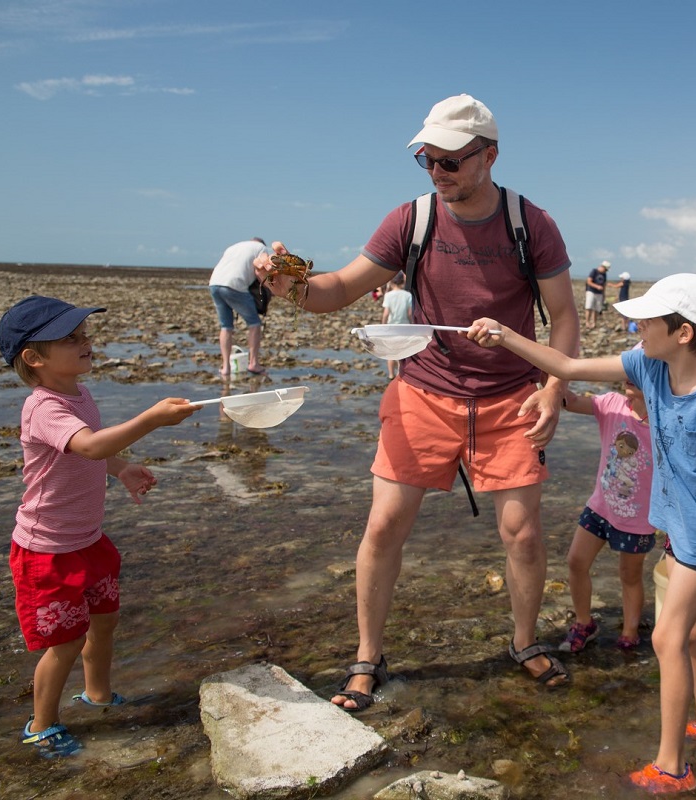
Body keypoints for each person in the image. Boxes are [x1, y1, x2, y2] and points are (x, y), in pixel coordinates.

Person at [263, 94, 581, 707]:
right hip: (423, 393)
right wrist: (289, 285)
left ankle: (523, 642)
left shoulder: (530, 223)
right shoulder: (409, 220)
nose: (438, 171)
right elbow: (336, 290)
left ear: (489, 156)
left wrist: (553, 389)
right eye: (427, 159)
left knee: (522, 534)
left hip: (510, 398)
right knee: (383, 525)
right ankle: (367, 657)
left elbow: (563, 318)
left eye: (452, 160)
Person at [466, 273, 696, 795]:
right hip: (675, 524)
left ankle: (673, 767)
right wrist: (504, 335)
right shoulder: (647, 367)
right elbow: (564, 366)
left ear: (683, 333)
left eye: (648, 320)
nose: (636, 326)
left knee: (666, 636)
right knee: (693, 631)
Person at [0, 296, 196, 758]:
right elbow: (85, 446)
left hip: (89, 541)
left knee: (104, 621)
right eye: (71, 338)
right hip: (47, 551)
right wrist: (149, 420)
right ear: (34, 357)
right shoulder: (43, 408)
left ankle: (98, 695)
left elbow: (92, 453)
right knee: (64, 643)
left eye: (84, 334)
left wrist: (120, 467)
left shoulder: (79, 393)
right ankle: (41, 724)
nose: (86, 342)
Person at [556, 377, 655, 654]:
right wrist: (549, 378)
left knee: (630, 575)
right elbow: (571, 402)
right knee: (576, 561)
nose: (629, 378)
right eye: (628, 371)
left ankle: (629, 631)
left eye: (638, 374)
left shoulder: (665, 420)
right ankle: (584, 622)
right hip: (600, 507)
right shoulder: (612, 404)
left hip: (638, 519)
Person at [209, 237, 271, 377]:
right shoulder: (261, 249)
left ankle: (226, 367)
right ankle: (253, 363)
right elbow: (260, 271)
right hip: (235, 285)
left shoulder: (233, 246)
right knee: (254, 324)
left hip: (214, 283)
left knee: (226, 326)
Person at [380, 271, 414, 379]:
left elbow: (386, 313)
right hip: (404, 327)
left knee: (391, 353)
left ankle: (390, 375)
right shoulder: (408, 295)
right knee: (402, 354)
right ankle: (400, 375)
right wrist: (412, 324)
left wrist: (383, 326)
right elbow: (409, 313)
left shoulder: (388, 296)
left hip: (391, 328)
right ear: (403, 282)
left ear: (392, 282)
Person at [584, 260, 610, 328]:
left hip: (599, 294)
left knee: (597, 309)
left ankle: (594, 323)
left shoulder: (604, 274)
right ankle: (587, 322)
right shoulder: (594, 271)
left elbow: (604, 285)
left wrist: (604, 294)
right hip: (591, 291)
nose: (605, 271)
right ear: (602, 266)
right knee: (589, 307)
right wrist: (597, 286)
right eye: (605, 269)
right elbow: (588, 281)